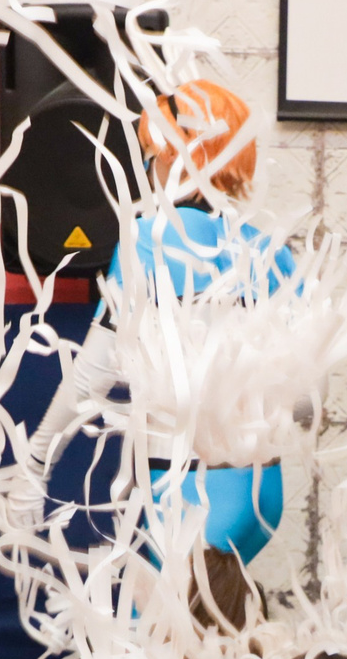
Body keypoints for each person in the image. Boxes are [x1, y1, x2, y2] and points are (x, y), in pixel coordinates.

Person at [32, 80, 300, 564]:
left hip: (186, 489)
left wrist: (35, 459)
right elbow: (299, 400)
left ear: (179, 155)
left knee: (154, 630)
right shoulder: (270, 249)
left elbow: (94, 372)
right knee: (215, 627)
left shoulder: (150, 239)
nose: (149, 167)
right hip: (262, 489)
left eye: (153, 153)